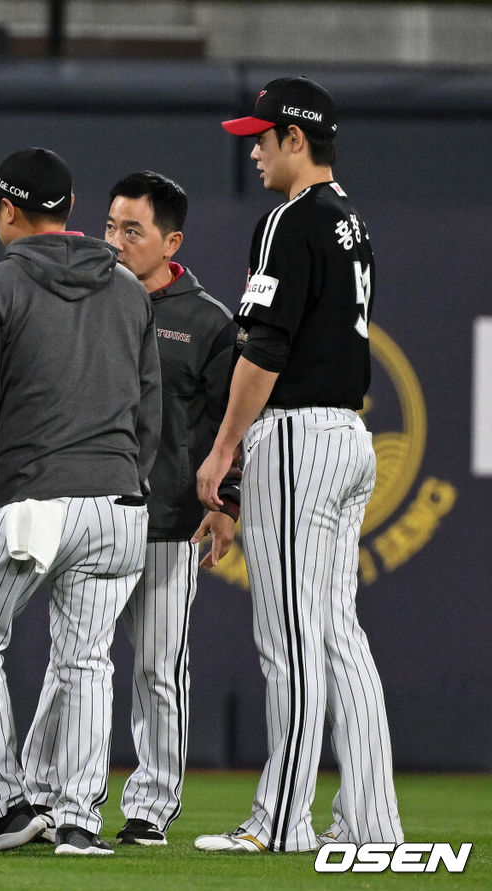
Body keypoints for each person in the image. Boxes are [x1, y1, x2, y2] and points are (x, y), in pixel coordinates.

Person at [195, 76, 403, 853]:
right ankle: (373, 821)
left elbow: (264, 349)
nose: (252, 149)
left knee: (290, 633)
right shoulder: (350, 219)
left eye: (262, 136)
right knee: (338, 633)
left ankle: (280, 820)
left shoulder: (291, 219)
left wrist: (224, 449)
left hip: (301, 436)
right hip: (348, 434)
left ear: (295, 139)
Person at [0, 148, 162, 856]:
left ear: (7, 209)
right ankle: (78, 819)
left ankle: (4, 805)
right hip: (120, 503)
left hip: (34, 501)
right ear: (68, 211)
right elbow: (151, 410)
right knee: (87, 661)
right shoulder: (130, 288)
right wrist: (130, 477)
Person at [20, 171, 240, 847]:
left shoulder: (206, 320)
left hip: (169, 519)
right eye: (111, 225)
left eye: (132, 230)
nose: (115, 241)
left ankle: (149, 804)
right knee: (72, 658)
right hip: (91, 507)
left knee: (157, 667)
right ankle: (37, 795)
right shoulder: (85, 296)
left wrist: (227, 502)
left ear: (171, 241)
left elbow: (232, 423)